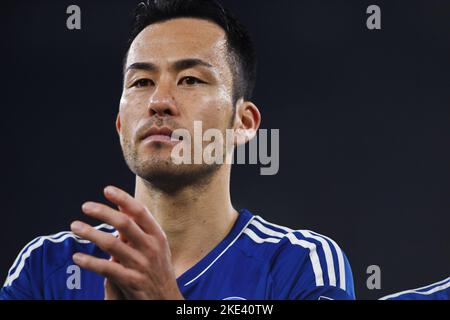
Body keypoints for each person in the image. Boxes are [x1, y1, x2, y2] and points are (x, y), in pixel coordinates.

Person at [0, 0, 354, 300]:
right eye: (142, 82)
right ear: (121, 124)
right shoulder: (46, 267)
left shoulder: (301, 264)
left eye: (190, 80)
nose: (159, 102)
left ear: (243, 122)